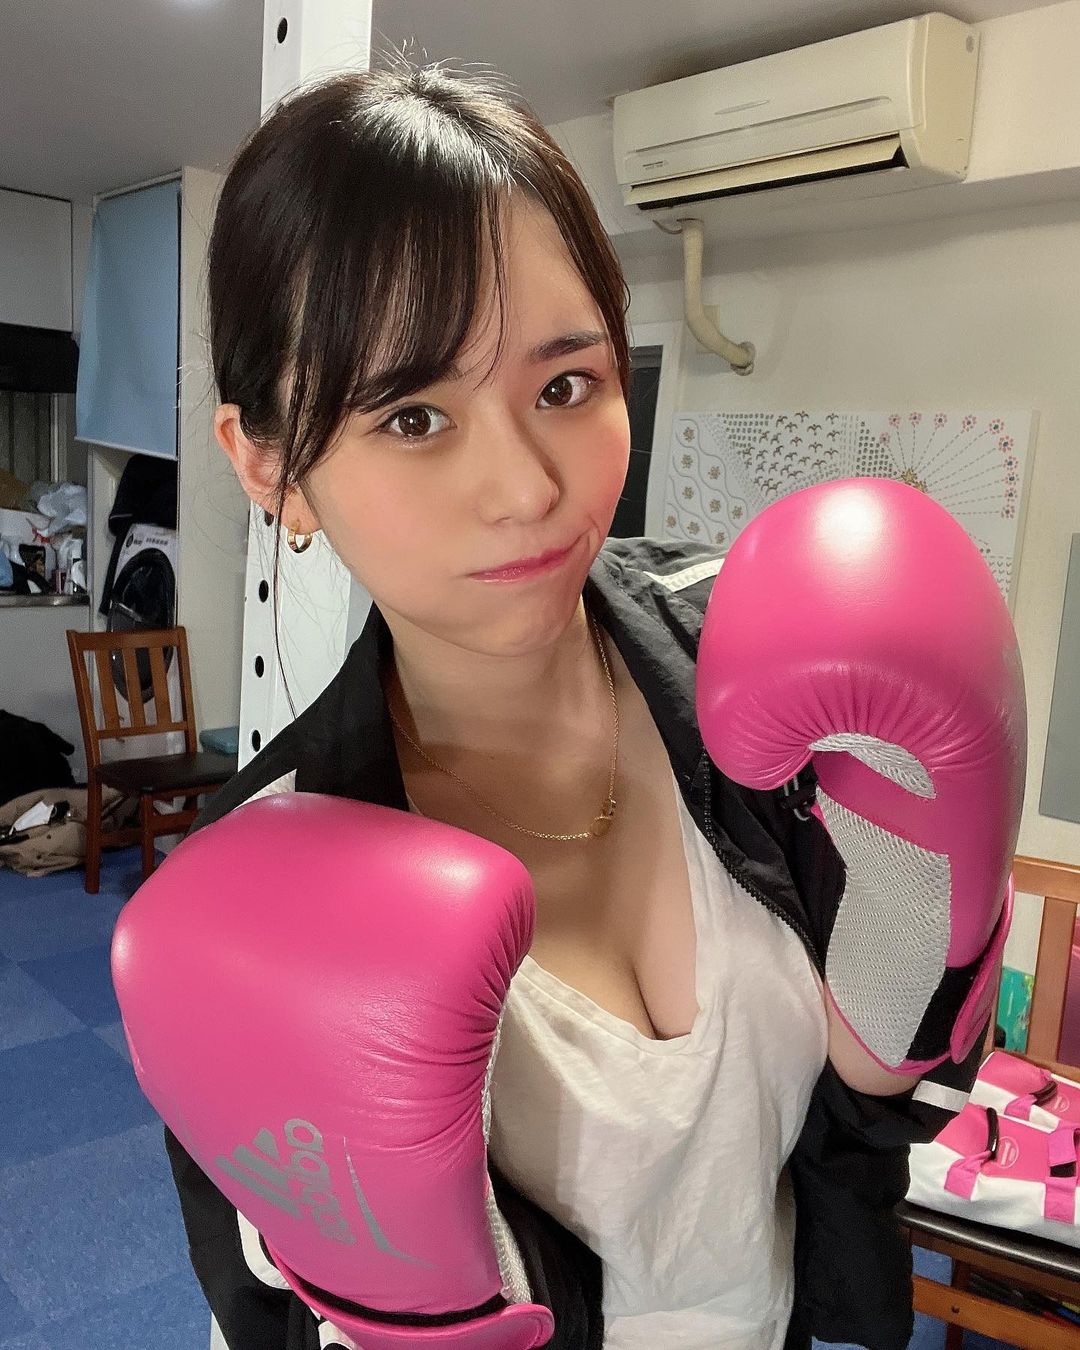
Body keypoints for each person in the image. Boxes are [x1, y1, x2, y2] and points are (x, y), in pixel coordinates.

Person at [122, 59, 1017, 1350]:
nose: (529, 489)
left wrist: (923, 914)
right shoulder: (256, 893)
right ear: (272, 467)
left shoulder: (761, 660)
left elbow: (877, 1096)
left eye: (564, 386)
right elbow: (281, 1310)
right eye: (414, 416)